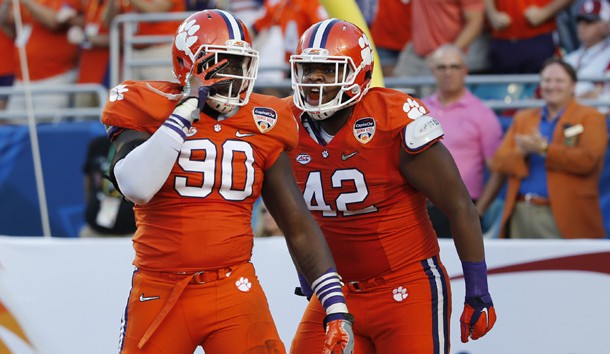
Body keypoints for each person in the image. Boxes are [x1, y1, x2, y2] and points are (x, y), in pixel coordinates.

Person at [101, 9, 354, 354]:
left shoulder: (266, 119)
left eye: (239, 64)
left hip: (234, 286)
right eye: (220, 64)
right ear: (187, 63)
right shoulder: (146, 103)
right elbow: (136, 186)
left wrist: (334, 303)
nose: (233, 75)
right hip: (161, 287)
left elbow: (295, 221)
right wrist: (186, 109)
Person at [286, 19, 496, 353]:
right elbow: (292, 216)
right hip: (336, 292)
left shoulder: (392, 118)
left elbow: (459, 205)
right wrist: (306, 271)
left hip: (405, 286)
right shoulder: (285, 122)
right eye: (308, 69)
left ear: (360, 73)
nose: (315, 80)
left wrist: (477, 289)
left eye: (328, 70)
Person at [490, 58, 608, 239]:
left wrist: (544, 149)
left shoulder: (591, 117)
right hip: (521, 213)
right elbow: (499, 162)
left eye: (559, 81)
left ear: (573, 85)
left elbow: (588, 161)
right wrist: (523, 151)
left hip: (567, 215)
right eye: (546, 80)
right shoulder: (524, 118)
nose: (552, 86)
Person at [422, 44, 504, 238]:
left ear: (465, 71)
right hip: (420, 207)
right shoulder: (420, 108)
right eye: (442, 67)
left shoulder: (482, 114)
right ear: (433, 71)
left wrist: (478, 211)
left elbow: (497, 169)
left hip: (461, 206)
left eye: (454, 67)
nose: (448, 73)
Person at [0, 0, 81, 111]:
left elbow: (55, 21)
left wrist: (27, 2)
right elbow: (7, 23)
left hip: (53, 76)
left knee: (46, 126)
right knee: (13, 125)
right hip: (23, 78)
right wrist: (6, 3)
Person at [392, 0, 485, 78]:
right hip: (414, 52)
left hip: (443, 62)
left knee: (433, 99)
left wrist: (447, 54)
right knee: (400, 94)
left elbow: (475, 24)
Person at [484, 0, 573, 74]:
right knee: (502, 92)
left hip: (539, 37)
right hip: (503, 38)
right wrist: (492, 14)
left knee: (543, 88)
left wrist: (545, 12)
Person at [79, 136, 136, 237]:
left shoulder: (141, 145)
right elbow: (88, 181)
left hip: (132, 232)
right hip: (95, 230)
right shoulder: (97, 145)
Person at [563, 0, 610, 104]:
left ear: (606, 26)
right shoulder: (569, 58)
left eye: (589, 21)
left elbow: (601, 96)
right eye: (580, 21)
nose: (582, 26)